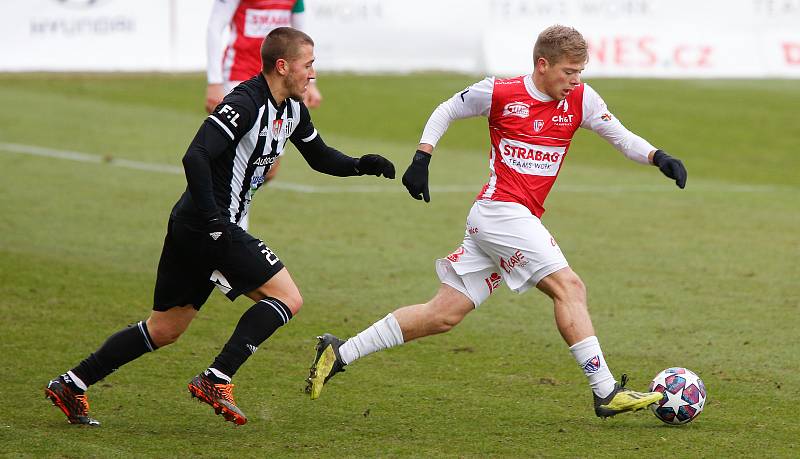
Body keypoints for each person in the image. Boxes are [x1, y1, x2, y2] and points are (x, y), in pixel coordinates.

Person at [306, 25, 687, 419]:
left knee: (443, 314)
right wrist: (422, 157)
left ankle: (340, 351)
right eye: (569, 72)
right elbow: (448, 108)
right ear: (543, 64)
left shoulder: (581, 99)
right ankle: (605, 390)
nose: (575, 81)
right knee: (569, 286)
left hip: (501, 220)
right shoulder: (502, 92)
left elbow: (620, 136)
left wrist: (658, 157)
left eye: (580, 72)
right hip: (503, 211)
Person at [44, 27, 395, 427]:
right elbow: (195, 156)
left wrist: (359, 165)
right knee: (287, 298)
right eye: (308, 65)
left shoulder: (293, 109)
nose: (313, 74)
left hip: (193, 226)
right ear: (283, 66)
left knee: (165, 328)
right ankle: (217, 377)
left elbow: (320, 157)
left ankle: (72, 383)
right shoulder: (244, 103)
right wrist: (214, 222)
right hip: (207, 226)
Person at [206, 0, 323, 189]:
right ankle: (225, 210)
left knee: (268, 167)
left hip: (279, 79)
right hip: (239, 74)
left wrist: (311, 83)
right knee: (241, 159)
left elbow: (303, 39)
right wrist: (214, 82)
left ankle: (229, 202)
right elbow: (214, 27)